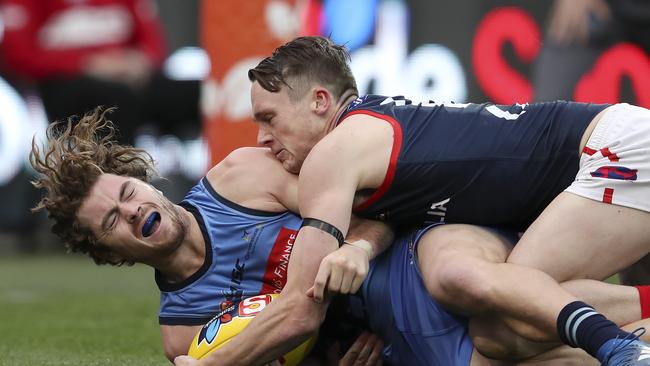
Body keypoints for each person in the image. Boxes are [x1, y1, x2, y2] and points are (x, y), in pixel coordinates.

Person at [30, 108, 650, 366]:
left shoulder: (241, 177)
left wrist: (355, 247)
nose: (131, 209)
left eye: (126, 191)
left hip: (414, 254)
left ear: (145, 181)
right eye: (110, 221)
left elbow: (374, 210)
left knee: (472, 287)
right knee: (509, 347)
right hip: (394, 339)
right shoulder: (183, 331)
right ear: (107, 253)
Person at [178, 36, 650, 366]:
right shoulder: (369, 129)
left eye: (269, 117)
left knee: (502, 325)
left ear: (320, 101)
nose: (262, 137)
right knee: (501, 322)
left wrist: (211, 364)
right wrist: (361, 247)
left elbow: (301, 308)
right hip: (612, 145)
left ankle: (622, 349)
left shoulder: (331, 156)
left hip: (615, 154)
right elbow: (390, 216)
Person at [0, 0, 200, 144]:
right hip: (67, 86)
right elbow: (19, 56)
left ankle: (218, 190)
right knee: (116, 99)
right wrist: (87, 63)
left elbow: (153, 44)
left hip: (127, 77)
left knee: (201, 93)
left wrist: (139, 61)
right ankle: (124, 187)